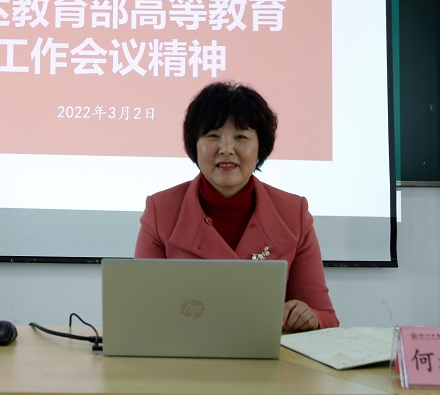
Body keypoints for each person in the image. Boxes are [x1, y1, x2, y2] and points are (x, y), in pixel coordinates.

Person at [134, 81, 339, 332]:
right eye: (212, 136)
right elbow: (140, 311)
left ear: (260, 145)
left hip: (266, 355)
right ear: (194, 144)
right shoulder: (161, 210)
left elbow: (326, 316)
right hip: (186, 352)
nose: (226, 149)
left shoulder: (293, 212)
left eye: (241, 137)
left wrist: (309, 318)